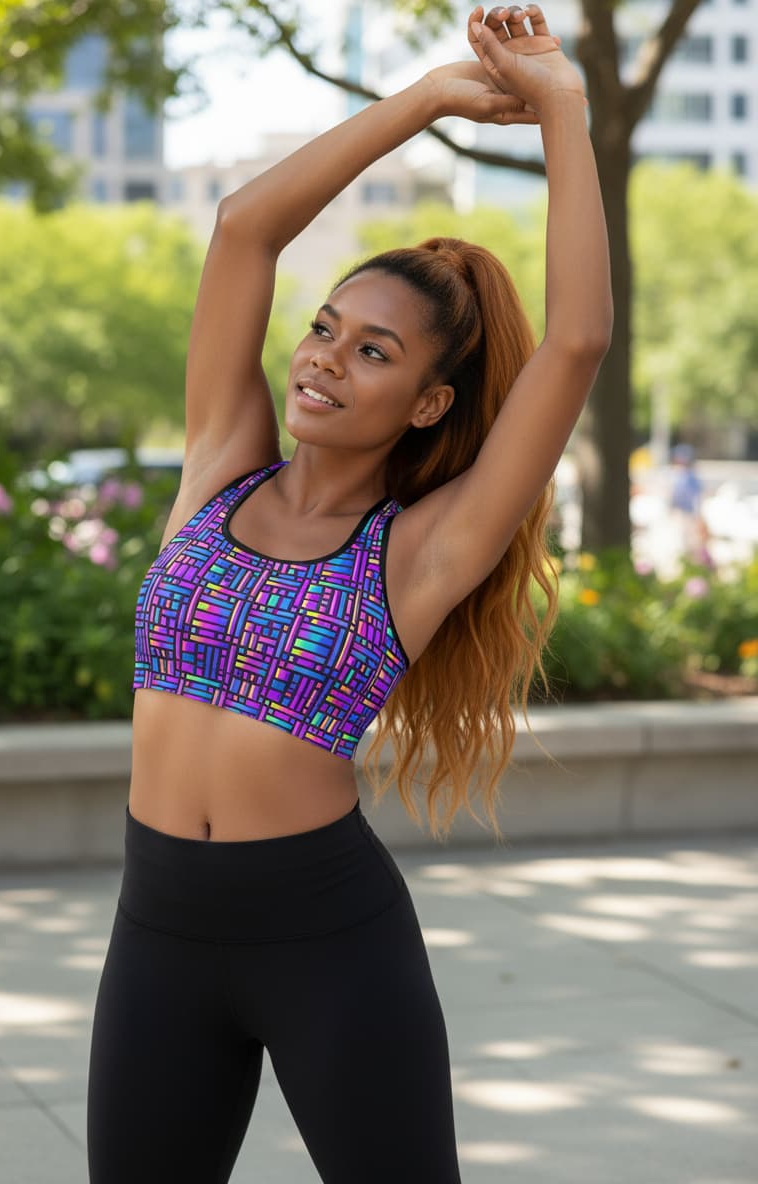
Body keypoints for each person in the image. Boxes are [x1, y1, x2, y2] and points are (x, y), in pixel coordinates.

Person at [86, 5, 612, 1181]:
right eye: (327, 327)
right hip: (157, 928)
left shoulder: (419, 550)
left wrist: (562, 112)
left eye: (375, 350)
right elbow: (244, 228)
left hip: (326, 942)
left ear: (428, 403)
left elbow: (576, 341)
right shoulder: (220, 465)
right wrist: (424, 99)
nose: (325, 355)